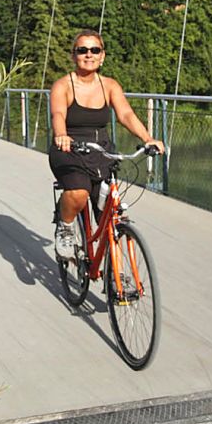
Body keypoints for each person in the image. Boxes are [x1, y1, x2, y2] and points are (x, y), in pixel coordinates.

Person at [48, 30, 165, 260]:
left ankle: (118, 281)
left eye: (95, 50)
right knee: (79, 193)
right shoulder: (63, 85)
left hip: (101, 150)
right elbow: (58, 114)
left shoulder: (110, 85)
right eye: (82, 50)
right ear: (74, 56)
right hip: (69, 149)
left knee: (110, 214)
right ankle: (66, 226)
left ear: (102, 56)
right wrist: (61, 135)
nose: (89, 55)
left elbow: (126, 114)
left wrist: (147, 138)